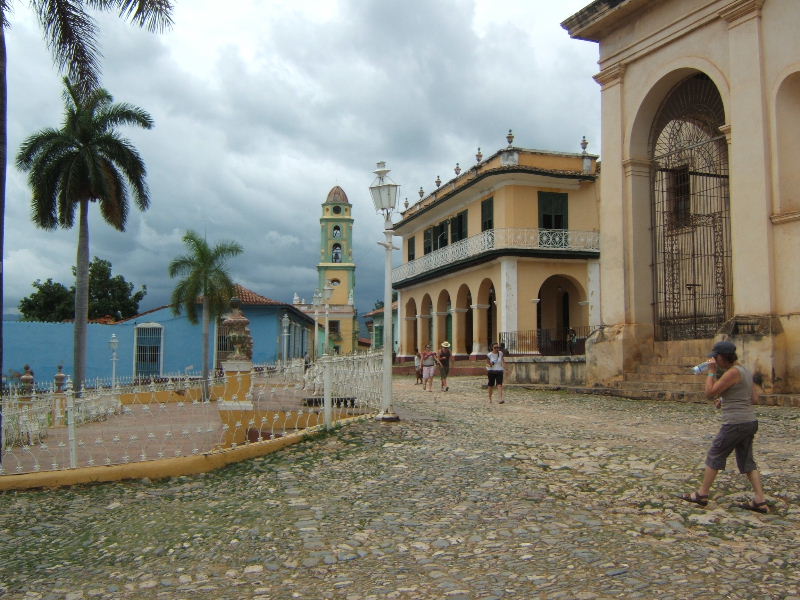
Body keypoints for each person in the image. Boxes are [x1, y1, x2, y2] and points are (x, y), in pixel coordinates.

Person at [679, 340, 769, 513]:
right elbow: (753, 399)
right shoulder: (744, 371)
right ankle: (760, 500)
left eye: (716, 358)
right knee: (747, 461)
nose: (714, 360)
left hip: (735, 423)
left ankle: (702, 494)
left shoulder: (732, 372)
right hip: (749, 421)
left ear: (721, 357)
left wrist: (711, 372)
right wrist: (725, 399)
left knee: (715, 454)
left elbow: (709, 393)